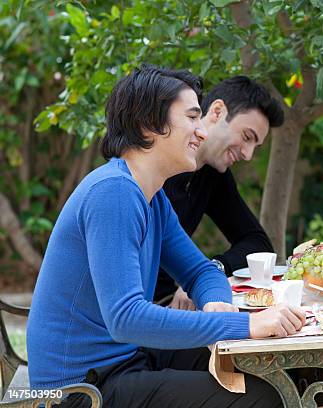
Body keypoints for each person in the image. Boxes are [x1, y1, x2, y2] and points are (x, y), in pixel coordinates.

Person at [26, 65, 304, 408]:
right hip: (78, 389)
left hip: (125, 361)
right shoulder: (113, 192)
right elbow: (126, 318)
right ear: (150, 123)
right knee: (263, 397)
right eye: (191, 117)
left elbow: (201, 271)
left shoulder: (151, 197)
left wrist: (216, 304)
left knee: (274, 370)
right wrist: (242, 323)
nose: (201, 132)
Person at [155, 76, 284, 309]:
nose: (248, 155)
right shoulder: (153, 165)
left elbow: (257, 243)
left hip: (165, 310)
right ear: (216, 111)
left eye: (256, 146)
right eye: (247, 137)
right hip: (123, 319)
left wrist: (211, 271)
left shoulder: (213, 174)